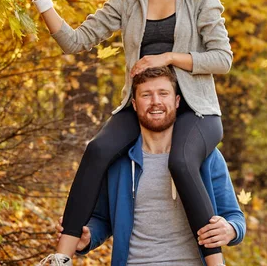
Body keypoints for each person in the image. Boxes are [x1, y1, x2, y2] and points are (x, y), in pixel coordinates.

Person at [11, 0, 233, 266]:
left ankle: (214, 262)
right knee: (98, 149)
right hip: (143, 105)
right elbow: (75, 41)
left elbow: (222, 58)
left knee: (182, 160)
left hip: (197, 109)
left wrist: (169, 56)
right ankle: (61, 258)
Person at [51, 67, 245, 266]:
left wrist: (231, 230)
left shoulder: (207, 157)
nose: (156, 102)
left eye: (163, 93)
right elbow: (103, 218)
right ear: (134, 104)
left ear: (177, 101)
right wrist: (88, 237)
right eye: (146, 95)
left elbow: (234, 216)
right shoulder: (119, 162)